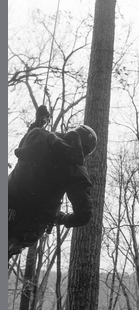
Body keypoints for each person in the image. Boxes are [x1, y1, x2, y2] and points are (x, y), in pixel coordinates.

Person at [8, 108, 97, 258]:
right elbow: (84, 214)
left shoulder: (39, 135)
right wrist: (62, 218)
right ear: (85, 151)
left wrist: (36, 125)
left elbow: (22, 149)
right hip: (28, 226)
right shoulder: (77, 171)